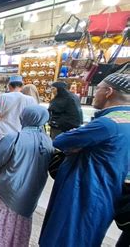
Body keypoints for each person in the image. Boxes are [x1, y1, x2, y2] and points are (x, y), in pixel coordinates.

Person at [39, 73, 130, 246]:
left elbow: (61, 140)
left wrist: (78, 146)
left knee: (64, 238)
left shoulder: (107, 123)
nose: (95, 93)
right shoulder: (124, 120)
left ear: (108, 91)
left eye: (98, 89)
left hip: (83, 192)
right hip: (105, 194)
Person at [0, 105, 53, 246]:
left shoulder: (14, 138)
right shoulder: (47, 142)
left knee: (0, 216)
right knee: (21, 221)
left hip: (8, 187)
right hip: (31, 193)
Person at [0, 75, 36, 144]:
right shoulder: (30, 99)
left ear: (9, 85)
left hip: (3, 131)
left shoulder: (3, 96)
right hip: (20, 132)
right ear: (22, 86)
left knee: (1, 152)